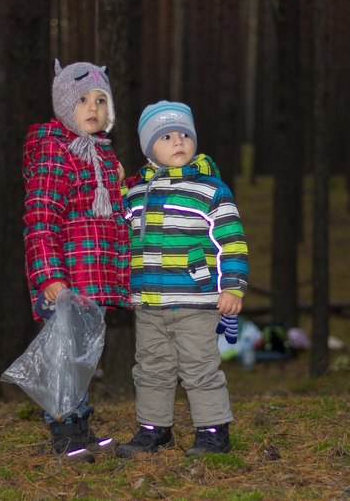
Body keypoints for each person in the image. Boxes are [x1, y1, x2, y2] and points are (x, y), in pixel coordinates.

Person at [116, 101, 249, 458]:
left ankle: (213, 431)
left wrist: (233, 285)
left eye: (184, 135)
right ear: (149, 150)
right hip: (149, 302)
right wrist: (116, 187)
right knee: (150, 367)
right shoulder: (135, 194)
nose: (178, 141)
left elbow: (231, 240)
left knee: (199, 366)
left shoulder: (210, 190)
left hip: (196, 300)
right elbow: (115, 229)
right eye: (166, 137)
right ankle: (154, 429)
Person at [21, 59, 131, 462]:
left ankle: (80, 424)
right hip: (65, 280)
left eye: (101, 101)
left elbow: (111, 216)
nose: (93, 108)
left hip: (92, 279)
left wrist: (125, 183)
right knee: (64, 355)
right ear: (65, 105)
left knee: (84, 354)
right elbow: (41, 218)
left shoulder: (101, 155)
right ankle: (64, 429)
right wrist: (49, 276)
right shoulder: (56, 150)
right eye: (82, 100)